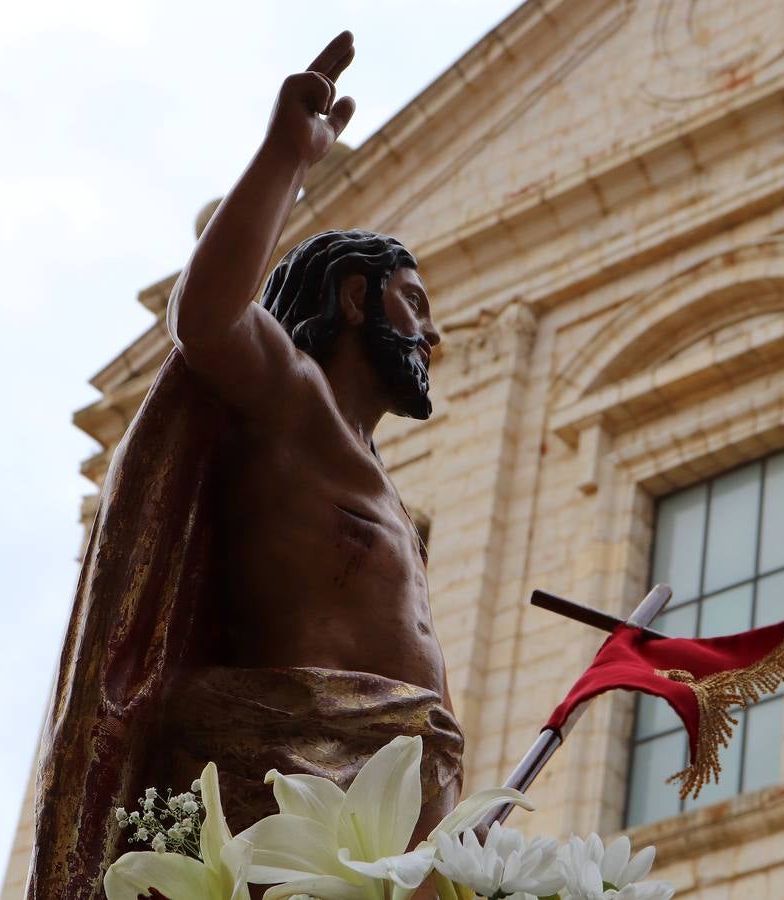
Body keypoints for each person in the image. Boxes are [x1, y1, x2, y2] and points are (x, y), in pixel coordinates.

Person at [28, 32, 462, 899]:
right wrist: (284, 158)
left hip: (403, 788)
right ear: (354, 298)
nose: (433, 333)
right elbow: (208, 316)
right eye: (413, 303)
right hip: (294, 776)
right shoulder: (293, 406)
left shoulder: (386, 490)